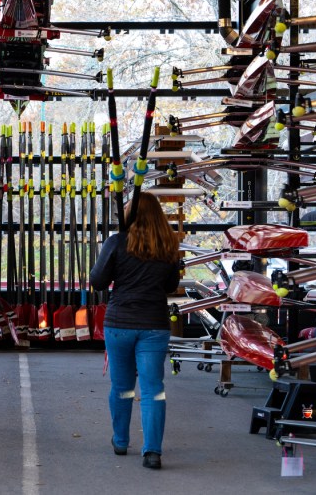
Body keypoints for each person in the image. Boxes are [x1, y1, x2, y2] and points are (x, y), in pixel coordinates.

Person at [89, 192, 181, 469]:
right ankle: (152, 451)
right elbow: (170, 286)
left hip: (119, 324)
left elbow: (98, 282)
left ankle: (120, 440)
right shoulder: (169, 245)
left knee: (122, 387)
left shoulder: (117, 242)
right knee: (154, 390)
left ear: (130, 214)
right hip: (154, 324)